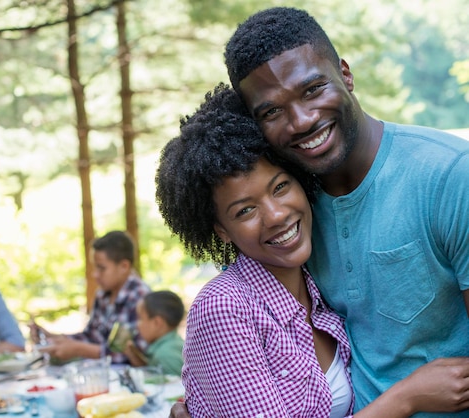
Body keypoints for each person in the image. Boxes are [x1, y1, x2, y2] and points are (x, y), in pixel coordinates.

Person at [170, 6, 469, 417]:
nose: (302, 120)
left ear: (345, 74)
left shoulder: (451, 176)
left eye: (312, 89)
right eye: (272, 111)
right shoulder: (296, 209)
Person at [31, 230, 151, 364]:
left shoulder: (140, 297)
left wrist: (79, 349)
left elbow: (130, 354)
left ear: (124, 266)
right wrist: (53, 338)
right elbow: (90, 336)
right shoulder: (102, 295)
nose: (95, 275)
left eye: (101, 268)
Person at [123, 290, 185, 376]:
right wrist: (132, 354)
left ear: (157, 323)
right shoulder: (171, 344)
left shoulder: (166, 355)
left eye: (140, 318)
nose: (137, 325)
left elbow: (178, 387)